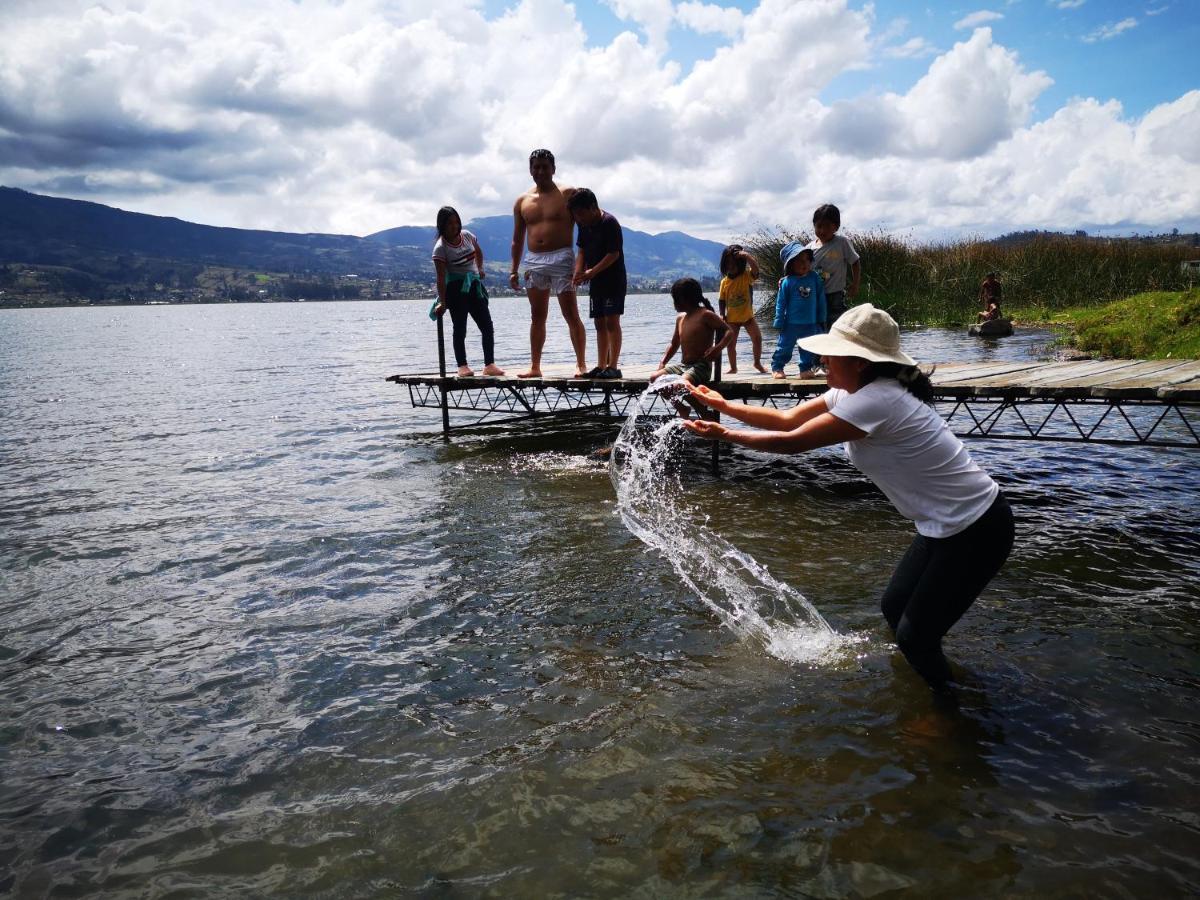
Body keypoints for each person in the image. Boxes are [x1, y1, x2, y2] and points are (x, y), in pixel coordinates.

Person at [680, 304, 1015, 689]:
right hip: (943, 524)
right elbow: (788, 419)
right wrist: (722, 405)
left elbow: (791, 443)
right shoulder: (853, 391)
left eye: (831, 353)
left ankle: (943, 716)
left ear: (860, 362)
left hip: (977, 526)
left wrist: (723, 434)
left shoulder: (878, 400)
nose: (822, 360)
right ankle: (915, 686)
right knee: (895, 609)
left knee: (916, 637)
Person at [509, 149, 587, 378]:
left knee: (570, 313)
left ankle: (581, 364)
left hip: (562, 257)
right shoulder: (522, 201)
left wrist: (580, 265)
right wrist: (513, 270)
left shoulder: (568, 194)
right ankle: (535, 366)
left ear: (553, 168)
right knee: (537, 316)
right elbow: (517, 239)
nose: (541, 171)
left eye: (545, 166)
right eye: (536, 167)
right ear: (530, 170)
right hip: (534, 260)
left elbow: (584, 230)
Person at [431, 206, 503, 377]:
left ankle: (489, 365)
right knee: (460, 328)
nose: (454, 226)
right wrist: (443, 301)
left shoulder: (467, 235)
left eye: (456, 222)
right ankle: (462, 366)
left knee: (487, 325)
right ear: (442, 225)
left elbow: (478, 252)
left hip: (474, 287)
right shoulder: (440, 248)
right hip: (456, 289)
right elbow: (441, 277)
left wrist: (480, 268)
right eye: (449, 224)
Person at [652, 278, 734, 414]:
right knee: (655, 378)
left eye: (675, 299)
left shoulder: (705, 315)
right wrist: (663, 362)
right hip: (683, 366)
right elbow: (674, 344)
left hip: (701, 366)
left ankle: (703, 412)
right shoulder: (680, 318)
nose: (674, 303)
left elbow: (729, 331)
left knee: (680, 385)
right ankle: (681, 408)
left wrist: (717, 348)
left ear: (686, 299)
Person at [568, 188, 627, 379]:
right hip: (596, 282)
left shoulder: (609, 222)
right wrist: (578, 271)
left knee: (612, 321)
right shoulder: (584, 226)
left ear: (592, 207)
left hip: (613, 279)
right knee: (599, 323)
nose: (578, 219)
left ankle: (613, 366)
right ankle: (601, 365)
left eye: (580, 214)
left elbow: (613, 254)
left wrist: (591, 272)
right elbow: (582, 251)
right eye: (575, 215)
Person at [772, 243, 826, 379]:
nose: (805, 263)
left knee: (808, 348)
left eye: (807, 260)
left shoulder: (814, 278)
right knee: (784, 347)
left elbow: (821, 298)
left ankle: (805, 369)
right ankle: (777, 367)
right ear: (790, 264)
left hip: (810, 322)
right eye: (800, 260)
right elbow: (781, 302)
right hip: (790, 323)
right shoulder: (787, 282)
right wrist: (779, 320)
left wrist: (821, 317)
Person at [807, 204, 861, 331]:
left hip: (835, 294)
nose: (822, 231)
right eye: (819, 226)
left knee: (837, 327)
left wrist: (855, 284)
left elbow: (855, 262)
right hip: (815, 294)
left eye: (827, 226)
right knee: (818, 326)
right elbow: (801, 269)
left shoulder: (841, 242)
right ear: (814, 226)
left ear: (836, 227)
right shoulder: (809, 248)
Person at [718, 245, 767, 374]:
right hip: (732, 320)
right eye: (728, 263)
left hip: (748, 317)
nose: (731, 266)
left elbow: (756, 270)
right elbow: (721, 300)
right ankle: (733, 367)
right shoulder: (724, 282)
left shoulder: (746, 276)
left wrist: (746, 255)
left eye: (734, 263)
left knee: (757, 338)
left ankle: (757, 363)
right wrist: (722, 314)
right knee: (731, 344)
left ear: (741, 263)